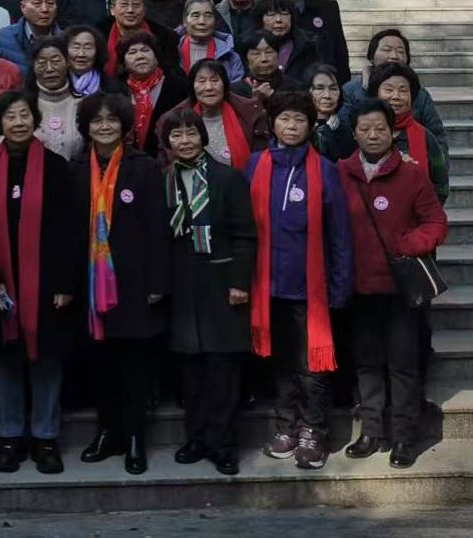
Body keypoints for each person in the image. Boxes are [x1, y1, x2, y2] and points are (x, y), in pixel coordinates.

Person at [0, 91, 81, 475]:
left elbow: (69, 229)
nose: (18, 122)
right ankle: (9, 437)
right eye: (10, 117)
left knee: (46, 360)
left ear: (34, 120)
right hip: (1, 286)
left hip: (47, 285)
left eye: (24, 115)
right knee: (6, 359)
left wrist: (65, 283)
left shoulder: (55, 167)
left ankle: (45, 438)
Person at [246, 91, 354, 470]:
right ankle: (286, 426)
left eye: (299, 120)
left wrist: (340, 285)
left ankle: (314, 431)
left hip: (310, 288)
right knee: (281, 364)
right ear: (272, 123)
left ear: (310, 126)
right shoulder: (255, 164)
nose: (291, 126)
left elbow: (340, 235)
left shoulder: (324, 169)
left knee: (312, 367)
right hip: (267, 287)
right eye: (284, 119)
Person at [338, 99, 448, 469]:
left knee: (403, 364)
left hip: (402, 289)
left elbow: (435, 222)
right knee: (366, 362)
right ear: (354, 133)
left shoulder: (412, 174)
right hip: (358, 287)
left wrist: (408, 245)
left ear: (393, 131)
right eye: (365, 129)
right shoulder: (341, 172)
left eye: (380, 128)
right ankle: (371, 431)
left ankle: (403, 436)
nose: (373, 135)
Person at [73, 90, 170, 476]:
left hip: (134, 283)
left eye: (112, 119)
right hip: (90, 283)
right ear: (86, 127)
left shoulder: (142, 166)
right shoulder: (76, 168)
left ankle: (134, 438)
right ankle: (107, 432)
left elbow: (158, 227)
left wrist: (157, 281)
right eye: (96, 120)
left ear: (125, 125)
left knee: (134, 366)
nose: (104, 126)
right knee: (102, 365)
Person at [160, 108, 257, 477]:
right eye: (176, 135)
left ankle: (224, 444)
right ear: (167, 143)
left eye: (191, 133)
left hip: (221, 281)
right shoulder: (164, 179)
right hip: (183, 285)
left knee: (223, 371)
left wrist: (239, 282)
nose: (184, 141)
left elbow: (245, 234)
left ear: (203, 136)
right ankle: (197, 438)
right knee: (192, 371)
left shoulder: (227, 177)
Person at [341, 29, 447, 153]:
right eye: (387, 50)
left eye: (401, 51)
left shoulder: (420, 94)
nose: (394, 56)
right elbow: (342, 134)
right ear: (371, 57)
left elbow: (438, 137)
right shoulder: (352, 90)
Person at [159, 58, 268, 171]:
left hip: (243, 179)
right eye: (201, 81)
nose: (209, 87)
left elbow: (261, 160)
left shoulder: (248, 113)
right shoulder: (173, 119)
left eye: (214, 80)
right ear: (192, 87)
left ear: (224, 85)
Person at [367, 62, 449, 202]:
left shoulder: (425, 137)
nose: (396, 96)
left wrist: (426, 210)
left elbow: (441, 185)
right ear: (376, 94)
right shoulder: (363, 134)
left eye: (403, 90)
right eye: (388, 89)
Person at [273, 0, 349, 83]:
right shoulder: (267, 4)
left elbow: (339, 49)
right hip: (283, 81)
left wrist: (342, 84)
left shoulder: (327, 5)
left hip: (320, 80)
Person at [117, 31, 188, 155]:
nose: (140, 56)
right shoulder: (116, 91)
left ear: (156, 57)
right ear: (124, 63)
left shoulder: (179, 88)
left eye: (145, 50)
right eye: (132, 52)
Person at [26, 35, 85, 162]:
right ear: (33, 66)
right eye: (42, 63)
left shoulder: (84, 104)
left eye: (56, 61)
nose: (49, 69)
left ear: (68, 62)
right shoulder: (23, 106)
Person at [104, 0, 178, 77]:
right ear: (112, 10)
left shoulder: (165, 37)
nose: (130, 10)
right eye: (124, 4)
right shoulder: (99, 35)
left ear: (144, 9)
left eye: (136, 5)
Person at [0, 0, 63, 75]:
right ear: (23, 7)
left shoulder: (65, 40)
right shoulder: (2, 39)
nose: (45, 9)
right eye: (37, 4)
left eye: (50, 3)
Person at [255, 0, 320, 85]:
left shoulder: (308, 46)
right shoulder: (248, 45)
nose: (279, 20)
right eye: (271, 14)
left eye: (284, 13)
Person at [178, 0, 244, 82]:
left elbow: (236, 87)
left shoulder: (230, 56)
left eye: (208, 16)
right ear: (184, 21)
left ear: (216, 22)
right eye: (195, 16)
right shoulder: (171, 51)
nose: (202, 21)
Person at [233, 30, 298, 103]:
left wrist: (273, 98)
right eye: (256, 53)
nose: (264, 59)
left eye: (269, 52)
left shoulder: (295, 88)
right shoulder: (235, 91)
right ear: (246, 58)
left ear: (278, 55)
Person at [309, 64, 354, 162]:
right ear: (309, 91)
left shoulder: (347, 129)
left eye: (333, 89)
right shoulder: (302, 126)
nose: (327, 95)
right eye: (320, 88)